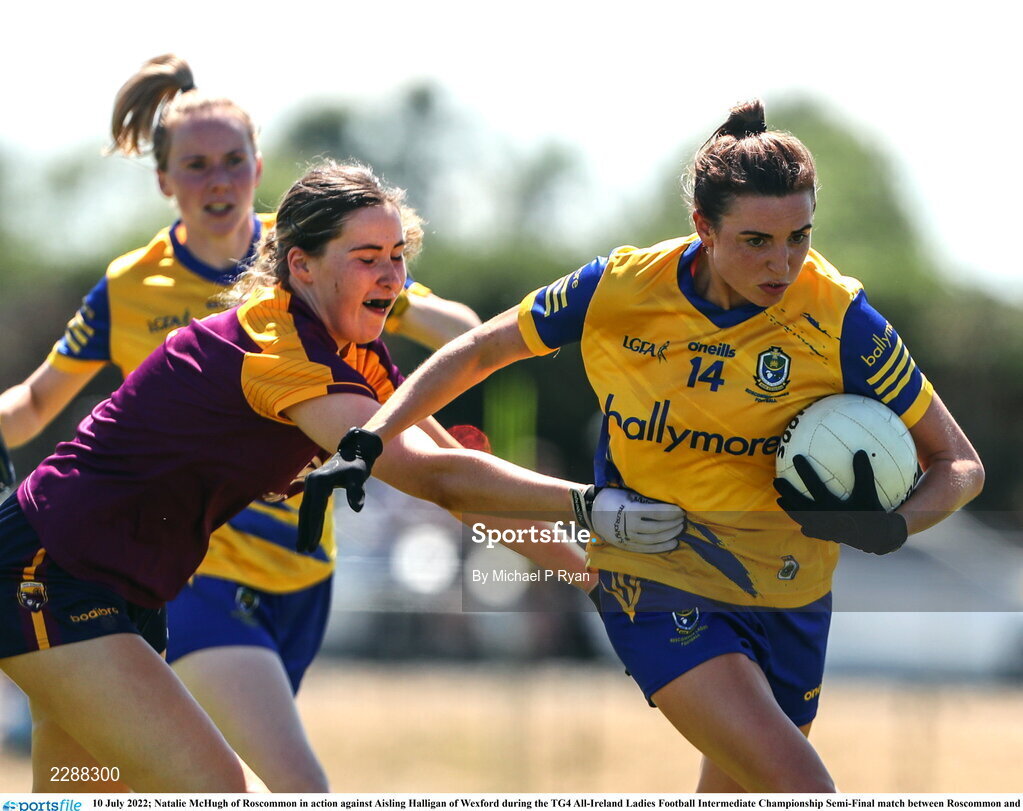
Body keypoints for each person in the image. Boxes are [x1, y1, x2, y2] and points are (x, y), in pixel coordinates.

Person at [309, 101, 985, 793]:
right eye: (755, 240)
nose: (781, 261)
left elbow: (959, 463)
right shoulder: (622, 286)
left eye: (798, 237)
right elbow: (481, 348)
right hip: (653, 580)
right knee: (803, 789)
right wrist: (375, 432)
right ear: (702, 225)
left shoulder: (839, 317)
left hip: (791, 597)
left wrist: (893, 524)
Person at [0, 159, 686, 792]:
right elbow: (437, 478)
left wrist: (597, 578)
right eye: (367, 259)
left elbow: (464, 490)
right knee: (216, 787)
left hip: (112, 585)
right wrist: (594, 506)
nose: (392, 277)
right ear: (300, 265)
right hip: (48, 570)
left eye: (398, 257)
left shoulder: (355, 354)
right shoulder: (280, 350)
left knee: (77, 799)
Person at [0, 54, 482, 792]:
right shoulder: (132, 284)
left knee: (89, 790)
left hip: (295, 571)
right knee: (266, 789)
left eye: (233, 161)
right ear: (164, 181)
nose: (218, 181)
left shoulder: (318, 262)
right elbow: (35, 402)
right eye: (195, 166)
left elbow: (450, 338)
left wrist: (466, 341)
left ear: (259, 167)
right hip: (187, 570)